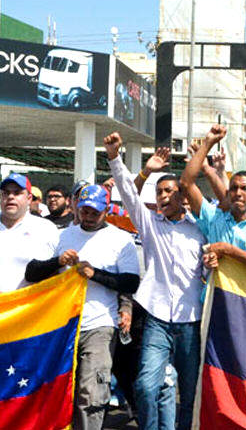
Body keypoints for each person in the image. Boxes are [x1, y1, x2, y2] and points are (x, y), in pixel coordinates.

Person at [104, 133, 206, 430]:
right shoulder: (149, 224)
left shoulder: (200, 228)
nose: (162, 197)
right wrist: (115, 157)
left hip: (191, 320)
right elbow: (126, 192)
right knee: (146, 387)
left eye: (169, 191)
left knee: (188, 394)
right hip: (156, 319)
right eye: (159, 192)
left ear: (183, 196)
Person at [26, 184, 140, 430]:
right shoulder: (64, 236)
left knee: (91, 393)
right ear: (76, 207)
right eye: (85, 211)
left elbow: (131, 282)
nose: (88, 217)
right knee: (59, 388)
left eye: (94, 212)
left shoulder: (121, 240)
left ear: (106, 210)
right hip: (63, 324)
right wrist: (57, 261)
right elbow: (33, 272)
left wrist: (94, 274)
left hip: (100, 324)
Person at [181, 125, 246, 274]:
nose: (238, 193)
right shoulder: (215, 219)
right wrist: (208, 143)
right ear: (228, 194)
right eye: (233, 189)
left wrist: (229, 251)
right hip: (217, 296)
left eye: (245, 189)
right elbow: (186, 183)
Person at [0, 173, 60, 292]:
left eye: (17, 193)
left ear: (29, 199)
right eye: (6, 193)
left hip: (29, 308)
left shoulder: (46, 229)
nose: (11, 197)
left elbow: (57, 271)